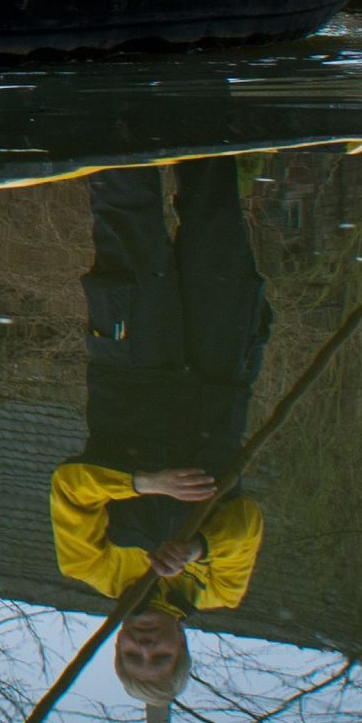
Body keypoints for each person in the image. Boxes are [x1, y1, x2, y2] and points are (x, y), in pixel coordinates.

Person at [51, 156, 272, 694]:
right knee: (216, 215)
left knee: (126, 211)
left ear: (118, 645)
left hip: (133, 364)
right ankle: (203, 104)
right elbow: (245, 524)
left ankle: (117, 106)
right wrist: (197, 549)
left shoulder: (91, 568)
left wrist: (142, 483)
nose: (146, 645)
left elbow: (70, 488)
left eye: (134, 655)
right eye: (159, 656)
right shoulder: (221, 588)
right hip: (219, 370)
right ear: (181, 648)